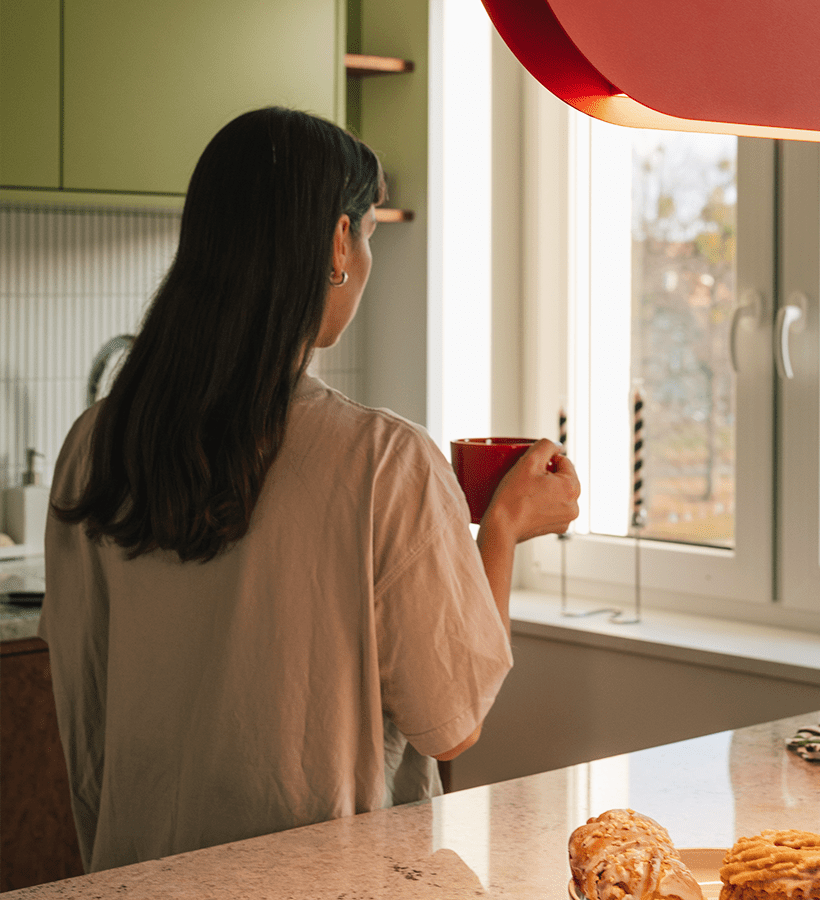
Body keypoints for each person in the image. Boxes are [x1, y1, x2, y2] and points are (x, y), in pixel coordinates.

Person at [39, 107, 580, 873]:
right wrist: (500, 530)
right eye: (368, 234)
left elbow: (83, 711)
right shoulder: (384, 460)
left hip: (140, 876)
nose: (366, 258)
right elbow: (451, 724)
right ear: (337, 242)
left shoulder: (94, 444)